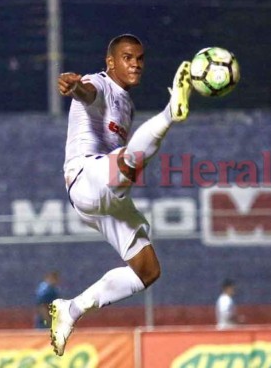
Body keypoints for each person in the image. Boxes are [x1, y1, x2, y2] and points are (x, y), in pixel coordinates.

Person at [48, 34, 192, 356]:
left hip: (106, 195)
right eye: (127, 57)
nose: (136, 64)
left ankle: (72, 309)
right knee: (129, 161)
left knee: (148, 270)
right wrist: (75, 87)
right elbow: (88, 93)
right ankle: (171, 111)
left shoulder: (127, 103)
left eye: (140, 58)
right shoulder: (99, 83)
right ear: (110, 62)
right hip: (85, 177)